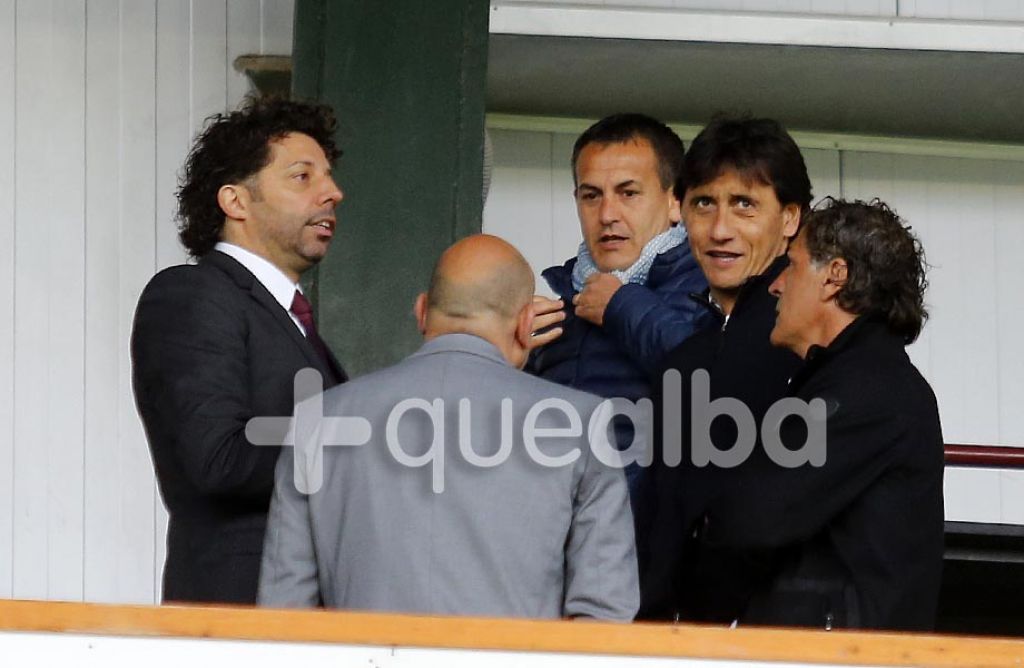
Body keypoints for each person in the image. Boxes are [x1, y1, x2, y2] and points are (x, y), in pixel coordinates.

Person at [258, 234, 639, 621]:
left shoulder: (318, 420)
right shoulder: (580, 425)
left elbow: (282, 614)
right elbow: (604, 616)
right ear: (526, 323)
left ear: (422, 311)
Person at [131, 97, 347, 604]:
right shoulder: (193, 294)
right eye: (302, 176)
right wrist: (361, 446)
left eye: (329, 177)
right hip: (240, 611)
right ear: (235, 201)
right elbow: (217, 458)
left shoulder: (287, 317)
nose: (333, 193)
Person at [694, 198, 944, 630]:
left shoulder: (870, 390)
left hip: (837, 652)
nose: (776, 286)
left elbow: (752, 516)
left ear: (834, 277)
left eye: (791, 266)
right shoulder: (854, 382)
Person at [639, 116, 811, 620]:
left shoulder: (810, 347)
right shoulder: (689, 358)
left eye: (744, 205)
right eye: (704, 204)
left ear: (790, 218)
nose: (719, 230)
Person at [526, 113, 709, 497]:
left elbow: (714, 385)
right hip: (560, 522)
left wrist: (621, 305)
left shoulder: (710, 287)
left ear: (676, 202)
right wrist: (510, 362)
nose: (607, 215)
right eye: (591, 196)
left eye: (628, 193)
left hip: (648, 526)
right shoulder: (563, 304)